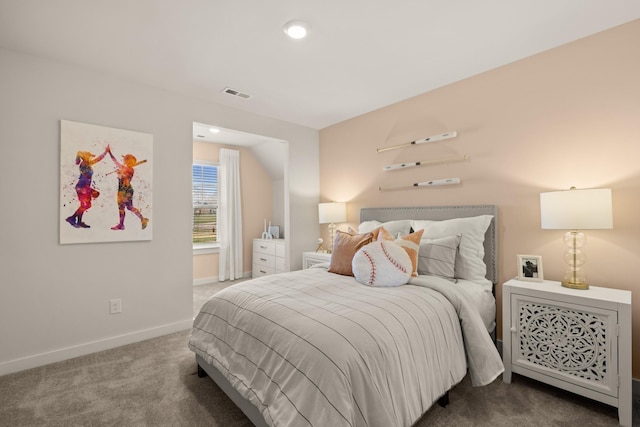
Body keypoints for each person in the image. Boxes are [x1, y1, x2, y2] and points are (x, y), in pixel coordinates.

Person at [106, 147, 149, 230]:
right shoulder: (123, 167)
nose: (127, 161)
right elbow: (115, 161)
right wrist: (110, 152)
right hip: (122, 190)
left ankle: (140, 220)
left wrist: (120, 174)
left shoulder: (130, 169)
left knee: (127, 207)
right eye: (126, 160)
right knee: (124, 208)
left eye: (129, 161)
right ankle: (125, 224)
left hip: (126, 190)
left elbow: (126, 180)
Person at [66, 146, 109, 228]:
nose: (90, 158)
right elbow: (84, 179)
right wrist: (90, 190)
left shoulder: (87, 164)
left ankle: (77, 221)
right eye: (89, 156)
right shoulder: (84, 165)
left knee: (84, 205)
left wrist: (105, 152)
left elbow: (98, 159)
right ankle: (72, 218)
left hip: (84, 187)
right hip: (82, 187)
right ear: (85, 157)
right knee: (86, 205)